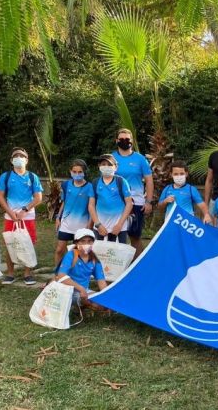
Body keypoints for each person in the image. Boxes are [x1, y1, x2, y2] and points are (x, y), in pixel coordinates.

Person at [0, 147, 43, 285]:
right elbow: (0, 196)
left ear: (27, 160)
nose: (19, 158)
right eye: (16, 156)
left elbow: (38, 197)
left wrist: (24, 210)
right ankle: (10, 273)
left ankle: (27, 273)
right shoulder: (6, 176)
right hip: (10, 217)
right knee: (10, 243)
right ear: (11, 160)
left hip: (27, 217)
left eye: (22, 156)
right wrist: (11, 212)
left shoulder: (32, 177)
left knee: (28, 243)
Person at [111, 129, 153, 258]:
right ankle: (116, 269)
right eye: (121, 139)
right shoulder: (111, 158)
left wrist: (149, 202)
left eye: (127, 139)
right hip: (115, 203)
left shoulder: (140, 159)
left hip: (136, 202)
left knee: (135, 236)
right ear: (116, 141)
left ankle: (139, 266)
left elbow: (149, 181)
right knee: (115, 234)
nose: (124, 141)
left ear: (132, 141)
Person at [54, 159, 94, 269]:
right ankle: (57, 273)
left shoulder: (90, 187)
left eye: (80, 172)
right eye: (74, 171)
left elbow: (92, 207)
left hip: (81, 225)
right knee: (59, 249)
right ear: (70, 171)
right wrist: (58, 217)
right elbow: (64, 202)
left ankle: (76, 273)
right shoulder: (66, 185)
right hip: (66, 224)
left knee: (78, 252)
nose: (77, 174)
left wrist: (89, 225)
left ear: (85, 172)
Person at [55, 228, 108, 309]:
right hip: (67, 291)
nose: (86, 244)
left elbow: (101, 281)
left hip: (85, 292)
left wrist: (106, 297)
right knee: (93, 302)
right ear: (76, 242)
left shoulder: (94, 260)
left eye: (89, 241)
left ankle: (86, 304)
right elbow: (61, 276)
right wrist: (81, 289)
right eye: (82, 241)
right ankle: (83, 304)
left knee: (103, 303)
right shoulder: (71, 255)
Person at [90, 154, 133, 243]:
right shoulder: (95, 183)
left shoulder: (121, 182)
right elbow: (91, 205)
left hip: (119, 228)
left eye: (109, 165)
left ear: (115, 167)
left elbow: (129, 203)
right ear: (99, 166)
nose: (106, 167)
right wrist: (98, 225)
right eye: (103, 164)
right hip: (100, 228)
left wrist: (119, 225)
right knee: (98, 255)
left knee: (118, 256)